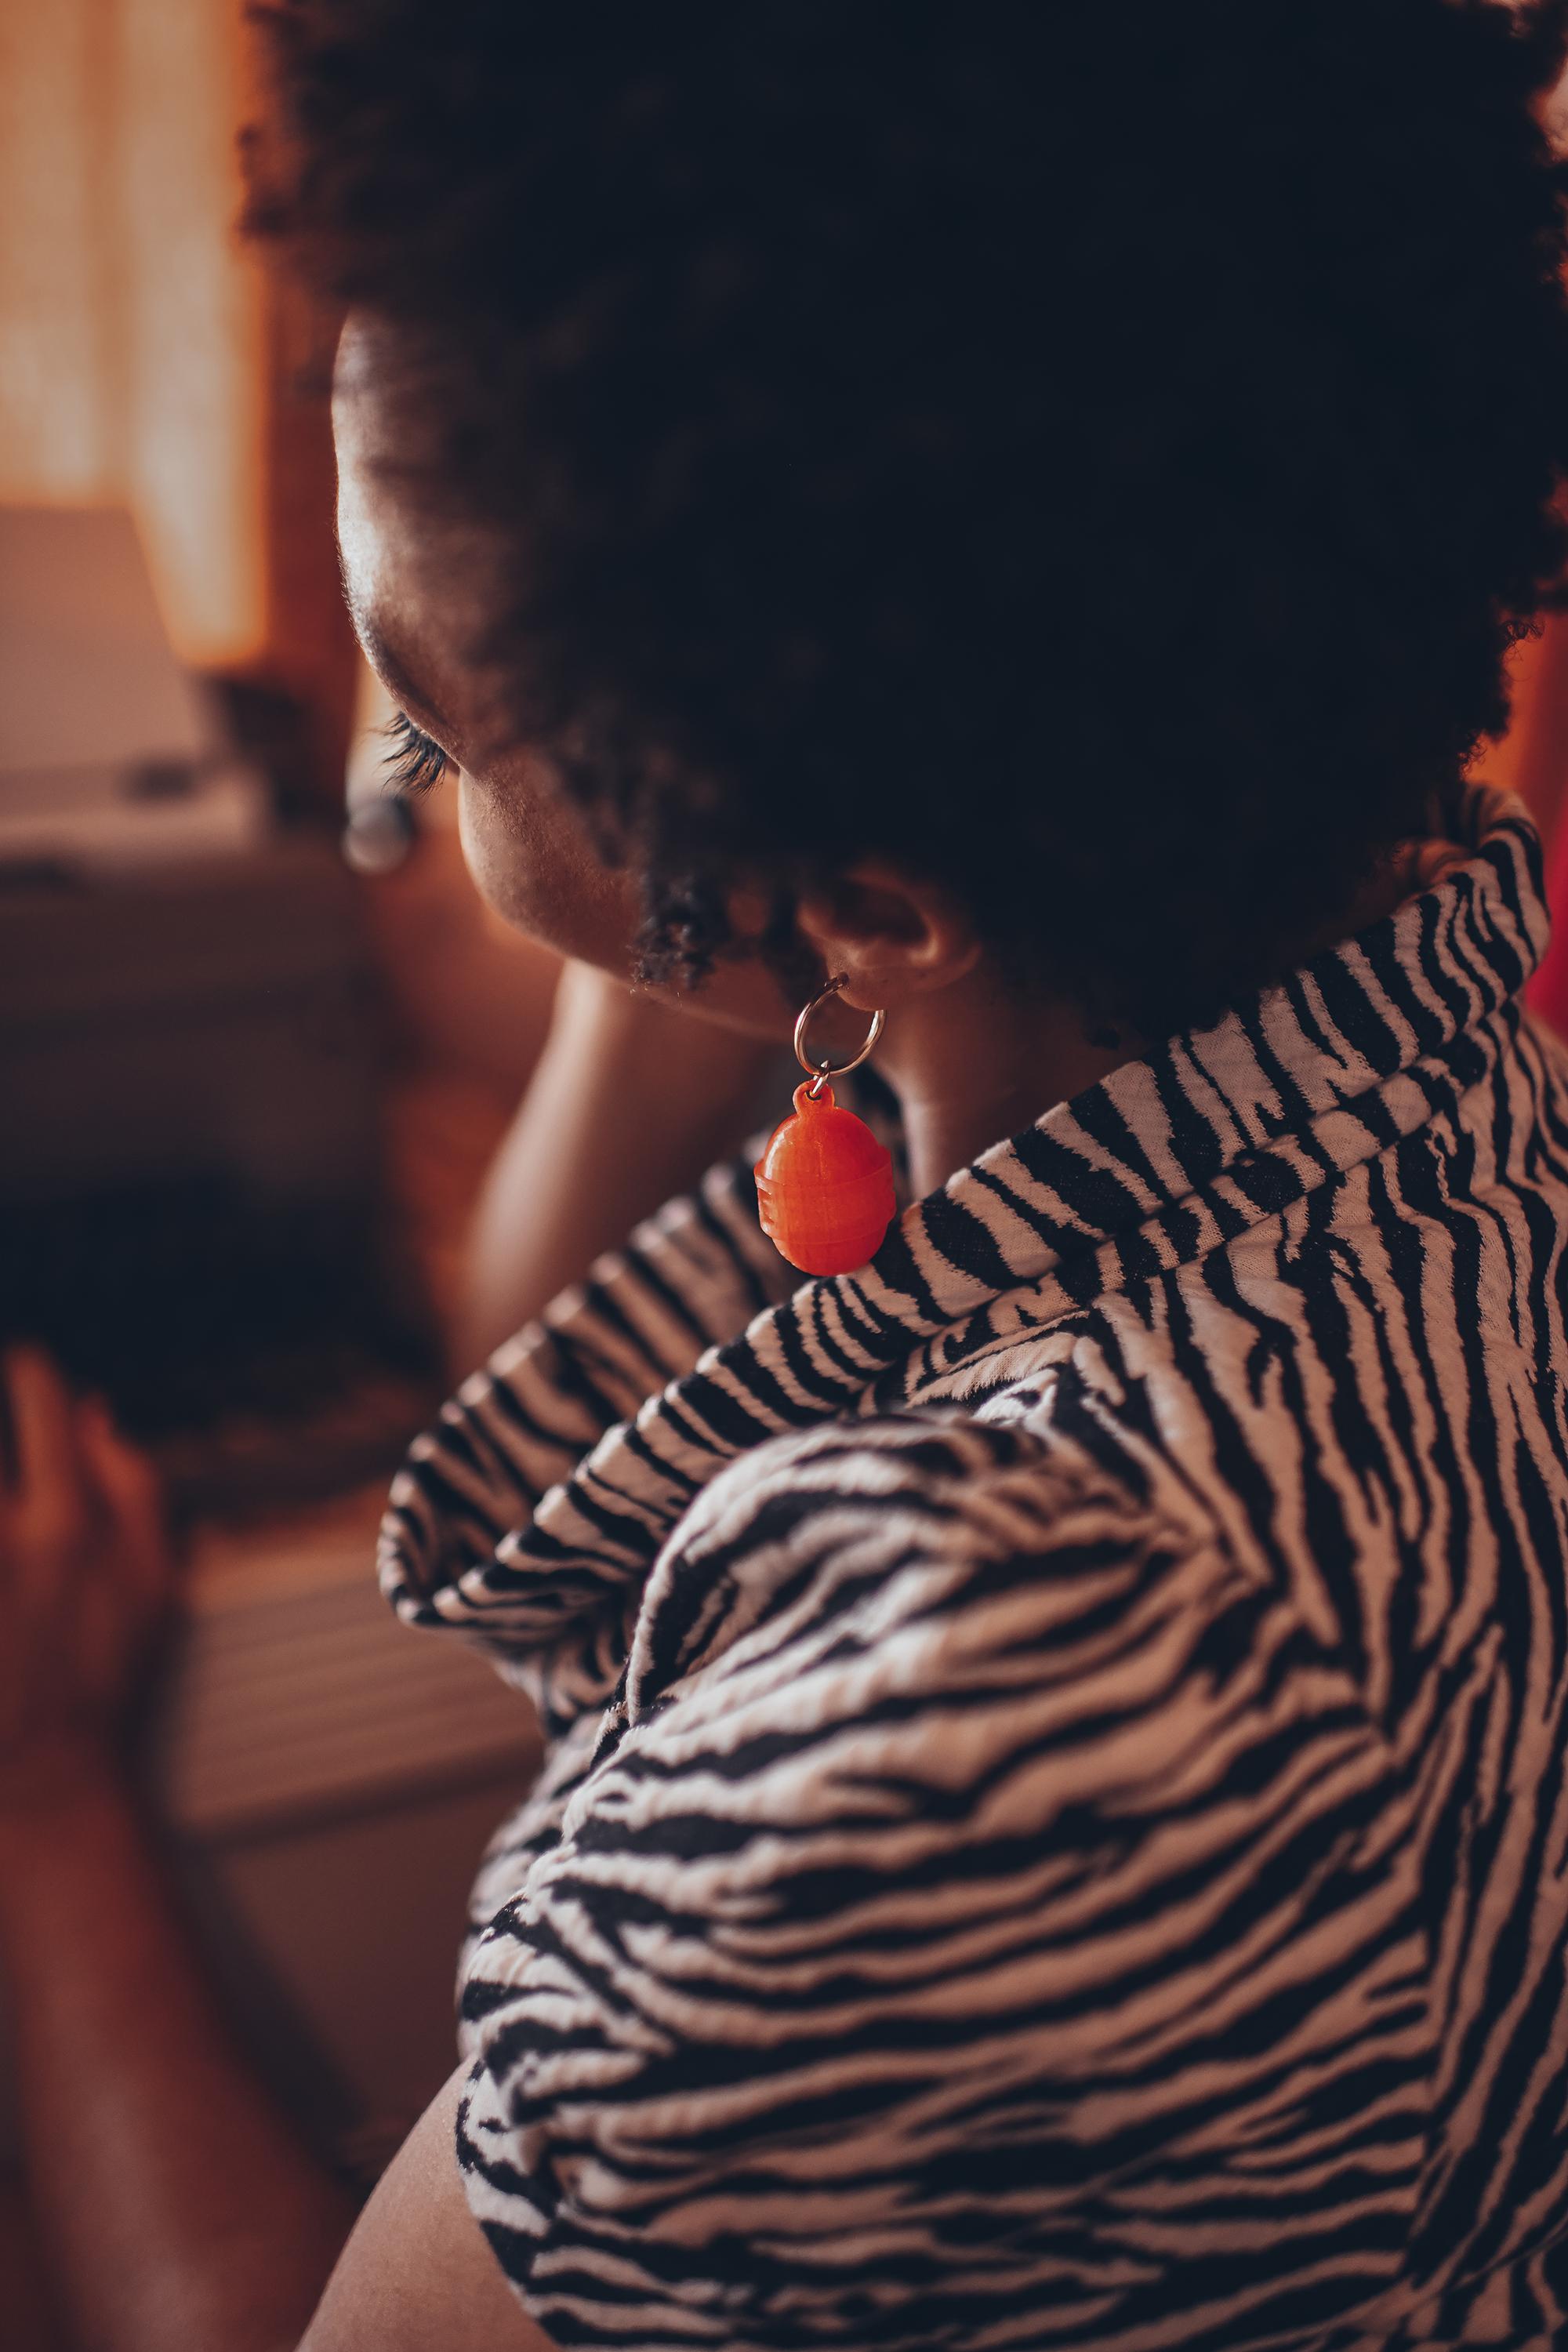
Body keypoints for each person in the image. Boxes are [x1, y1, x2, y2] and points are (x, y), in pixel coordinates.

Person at [7, 2, 1568, 2345]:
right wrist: (703, 827)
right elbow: (572, 1331)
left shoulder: (984, 1734)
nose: (408, 787)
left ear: (868, 896)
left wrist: (40, 1802)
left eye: (428, 722)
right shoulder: (1421, 1077)